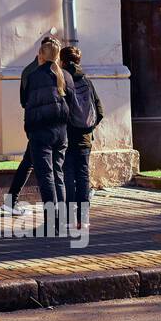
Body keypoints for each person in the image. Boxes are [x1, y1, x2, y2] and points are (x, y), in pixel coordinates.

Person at [1, 36, 57, 214]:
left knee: (29, 162)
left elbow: (23, 100)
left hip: (34, 123)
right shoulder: (50, 72)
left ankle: (11, 200)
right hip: (47, 125)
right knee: (46, 166)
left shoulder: (28, 71)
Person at [23, 39, 74, 207]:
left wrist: (29, 129)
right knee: (58, 174)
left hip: (40, 131)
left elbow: (26, 102)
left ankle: (52, 222)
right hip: (61, 132)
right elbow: (72, 103)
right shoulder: (65, 75)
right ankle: (61, 219)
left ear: (41, 56)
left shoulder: (34, 76)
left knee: (46, 176)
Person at [61, 45, 104, 227]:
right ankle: (83, 219)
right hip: (85, 139)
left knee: (68, 177)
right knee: (83, 176)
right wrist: (88, 127)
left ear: (61, 61)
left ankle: (71, 218)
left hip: (67, 136)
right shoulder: (87, 81)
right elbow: (99, 111)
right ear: (79, 60)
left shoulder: (62, 80)